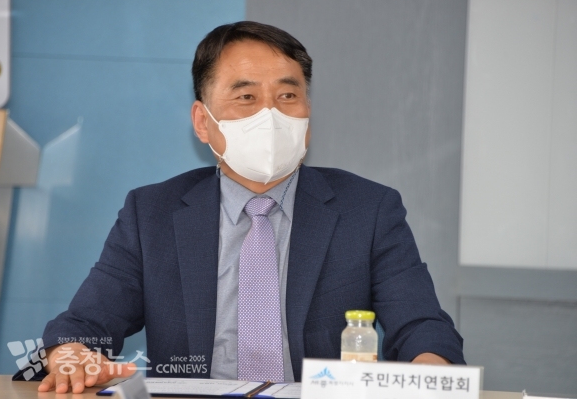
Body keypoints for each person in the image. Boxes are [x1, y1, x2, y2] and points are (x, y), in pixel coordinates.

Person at [28, 21, 464, 394]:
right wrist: (71, 356)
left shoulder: (368, 210)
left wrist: (431, 370)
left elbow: (422, 326)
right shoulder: (152, 214)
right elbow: (81, 326)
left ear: (307, 115)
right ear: (203, 121)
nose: (271, 114)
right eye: (246, 97)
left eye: (288, 96)